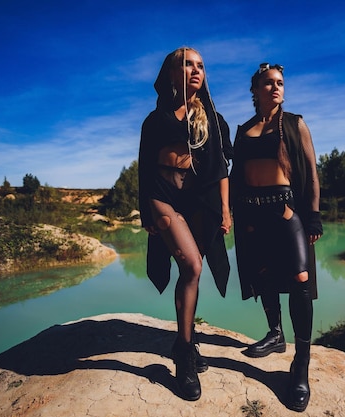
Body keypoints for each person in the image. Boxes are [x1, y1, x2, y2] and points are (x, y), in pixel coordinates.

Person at [138, 47, 233, 401]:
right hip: (164, 197)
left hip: (198, 202)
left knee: (193, 271)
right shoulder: (155, 118)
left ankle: (185, 343)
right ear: (171, 71)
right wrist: (145, 211)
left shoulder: (212, 118)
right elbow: (145, 167)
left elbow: (222, 167)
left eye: (201, 65)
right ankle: (183, 354)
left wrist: (226, 209)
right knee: (191, 266)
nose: (195, 70)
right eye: (187, 64)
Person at [230, 63, 323, 412]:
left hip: (286, 212)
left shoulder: (295, 124)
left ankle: (300, 363)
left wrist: (312, 216)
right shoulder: (243, 130)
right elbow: (236, 175)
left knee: (300, 278)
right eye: (268, 84)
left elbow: (312, 175)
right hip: (252, 214)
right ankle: (275, 334)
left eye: (280, 83)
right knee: (264, 275)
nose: (275, 88)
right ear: (254, 90)